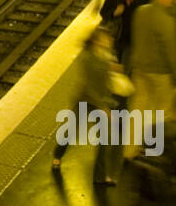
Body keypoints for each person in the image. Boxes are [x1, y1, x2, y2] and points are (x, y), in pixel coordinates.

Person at [52, 27, 124, 185]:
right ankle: (57, 155)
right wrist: (103, 107)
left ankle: (100, 176)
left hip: (101, 102)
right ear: (97, 40)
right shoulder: (87, 57)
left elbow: (108, 76)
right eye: (107, 38)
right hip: (85, 101)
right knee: (70, 131)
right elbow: (89, 86)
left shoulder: (108, 55)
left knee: (105, 139)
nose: (110, 40)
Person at [127, 0, 176, 157]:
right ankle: (152, 152)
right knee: (161, 112)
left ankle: (129, 150)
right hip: (161, 74)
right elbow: (173, 53)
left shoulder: (140, 12)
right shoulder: (167, 21)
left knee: (138, 109)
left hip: (140, 70)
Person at [101, 0, 151, 66]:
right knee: (116, 64)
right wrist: (114, 13)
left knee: (126, 64)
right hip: (118, 37)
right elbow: (103, 12)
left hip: (136, 38)